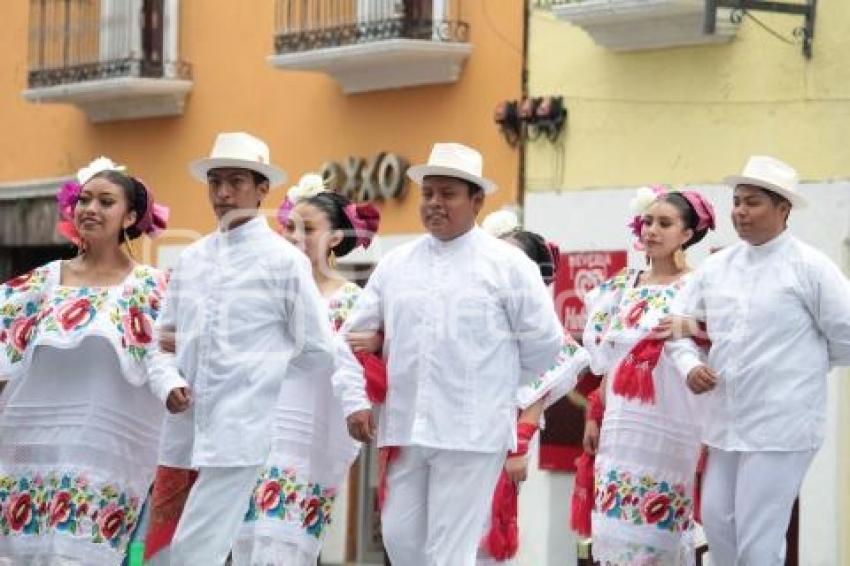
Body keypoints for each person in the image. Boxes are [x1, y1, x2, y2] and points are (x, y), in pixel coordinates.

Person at [332, 142, 564, 566]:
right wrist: (354, 400)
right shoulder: (395, 264)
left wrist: (490, 381)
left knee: (449, 552)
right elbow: (352, 338)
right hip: (406, 425)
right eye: (429, 193)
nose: (435, 203)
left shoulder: (509, 266)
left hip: (472, 432)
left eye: (448, 194)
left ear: (476, 200)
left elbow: (545, 343)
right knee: (401, 541)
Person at [144, 132, 336, 565]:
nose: (224, 193)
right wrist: (169, 380)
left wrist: (259, 375)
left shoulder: (284, 261)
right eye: (216, 183)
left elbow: (318, 349)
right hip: (181, 430)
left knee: (193, 552)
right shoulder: (190, 258)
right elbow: (161, 345)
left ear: (262, 188)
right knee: (164, 553)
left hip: (239, 429)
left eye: (236, 182)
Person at [667, 155, 850, 565]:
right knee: (716, 524)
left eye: (752, 202)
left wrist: (801, 370)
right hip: (726, 422)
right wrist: (689, 365)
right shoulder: (716, 267)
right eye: (737, 201)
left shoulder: (810, 267)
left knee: (758, 538)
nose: (740, 212)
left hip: (781, 425)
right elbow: (678, 326)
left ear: (783, 209)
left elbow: (847, 335)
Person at [0, 157, 181, 565]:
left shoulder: (153, 287)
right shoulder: (42, 283)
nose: (91, 209)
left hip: (104, 452)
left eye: (105, 201)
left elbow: (187, 349)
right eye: (84, 200)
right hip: (30, 447)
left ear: (130, 216)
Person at [230, 174, 380, 566]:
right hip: (259, 428)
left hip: (311, 433)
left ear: (334, 238)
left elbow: (362, 367)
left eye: (308, 228)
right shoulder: (267, 292)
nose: (295, 236)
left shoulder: (352, 301)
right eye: (289, 227)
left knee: (288, 541)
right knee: (248, 538)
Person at [580, 185, 716, 564]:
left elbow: (718, 339)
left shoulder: (698, 285)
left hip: (671, 416)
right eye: (648, 222)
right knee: (615, 529)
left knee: (662, 532)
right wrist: (595, 412)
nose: (651, 230)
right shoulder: (623, 285)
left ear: (687, 234)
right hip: (622, 421)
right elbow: (610, 360)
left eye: (664, 223)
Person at [476, 212, 592, 565]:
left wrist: (519, 445)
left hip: (503, 435)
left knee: (484, 530)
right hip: (457, 429)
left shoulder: (540, 324)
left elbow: (538, 387)